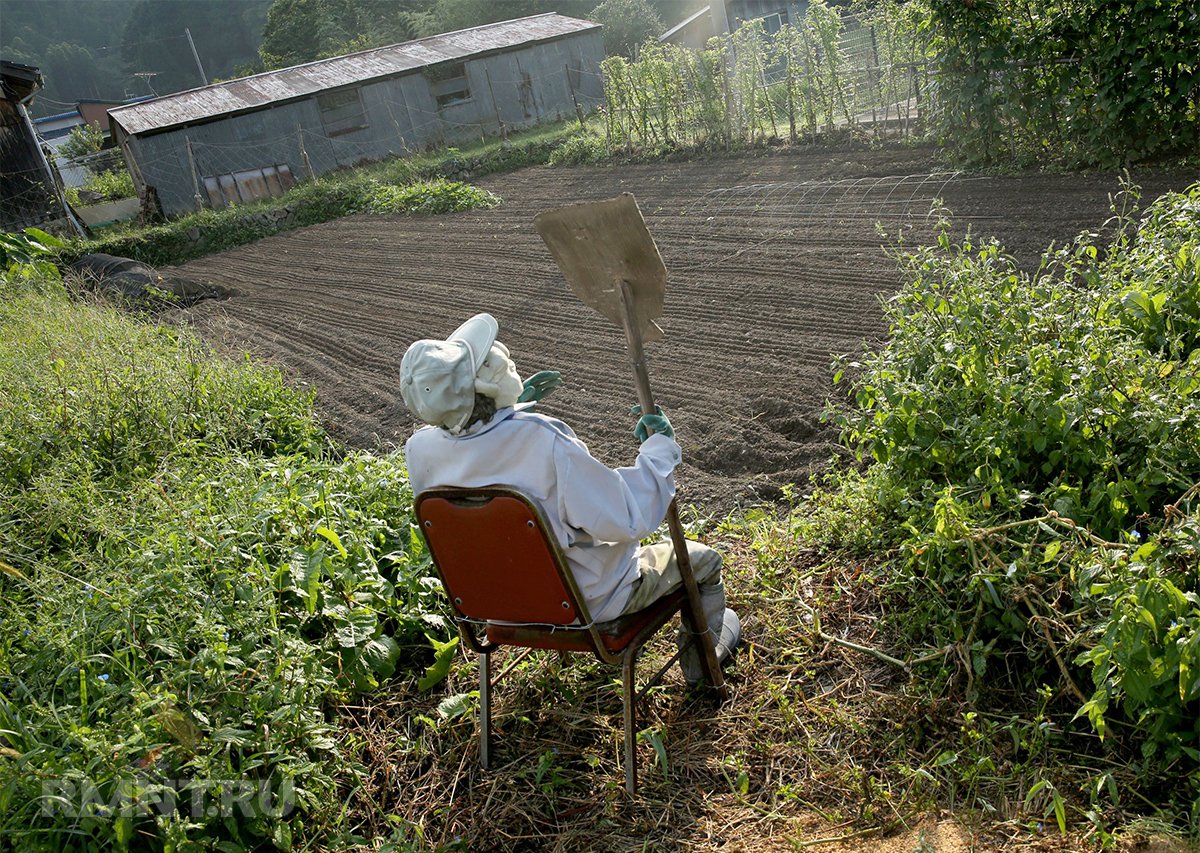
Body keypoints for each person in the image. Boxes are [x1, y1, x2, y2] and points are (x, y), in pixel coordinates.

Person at [400, 312, 740, 686]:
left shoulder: (420, 451)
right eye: (492, 358)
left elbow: (482, 454)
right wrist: (659, 448)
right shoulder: (541, 439)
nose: (504, 356)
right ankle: (705, 669)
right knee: (704, 560)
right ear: (483, 384)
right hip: (587, 604)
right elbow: (625, 517)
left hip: (500, 609)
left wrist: (504, 412)